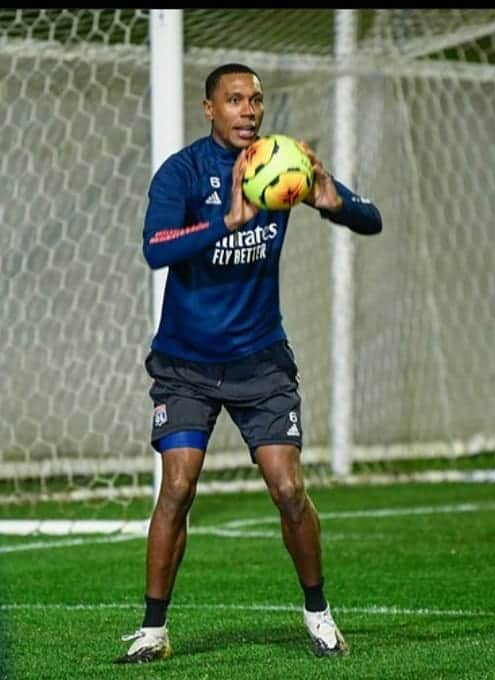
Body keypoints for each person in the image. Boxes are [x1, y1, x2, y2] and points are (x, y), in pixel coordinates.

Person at [114, 63, 382, 664]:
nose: (248, 111)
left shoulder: (281, 165)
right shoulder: (182, 172)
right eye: (234, 100)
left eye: (255, 100)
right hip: (185, 365)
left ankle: (318, 613)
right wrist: (223, 223)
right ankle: (153, 631)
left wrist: (338, 204)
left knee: (289, 489)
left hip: (260, 363)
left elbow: (372, 219)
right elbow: (153, 248)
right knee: (177, 486)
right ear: (209, 108)